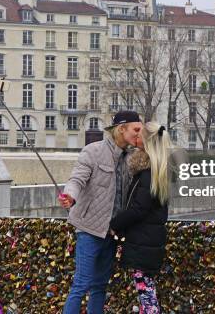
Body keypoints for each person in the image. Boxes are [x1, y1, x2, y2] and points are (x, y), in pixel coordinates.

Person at [59, 110, 142, 314]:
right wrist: (70, 196)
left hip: (112, 233)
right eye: (136, 129)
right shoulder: (93, 151)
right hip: (89, 229)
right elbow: (77, 179)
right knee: (81, 285)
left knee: (100, 287)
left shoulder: (133, 157)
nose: (139, 134)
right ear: (122, 129)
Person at [109, 121, 172, 313]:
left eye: (140, 135)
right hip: (150, 241)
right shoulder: (158, 170)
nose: (136, 138)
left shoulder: (147, 173)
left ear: (147, 142)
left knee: (147, 294)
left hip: (142, 243)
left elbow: (138, 209)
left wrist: (114, 225)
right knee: (146, 291)